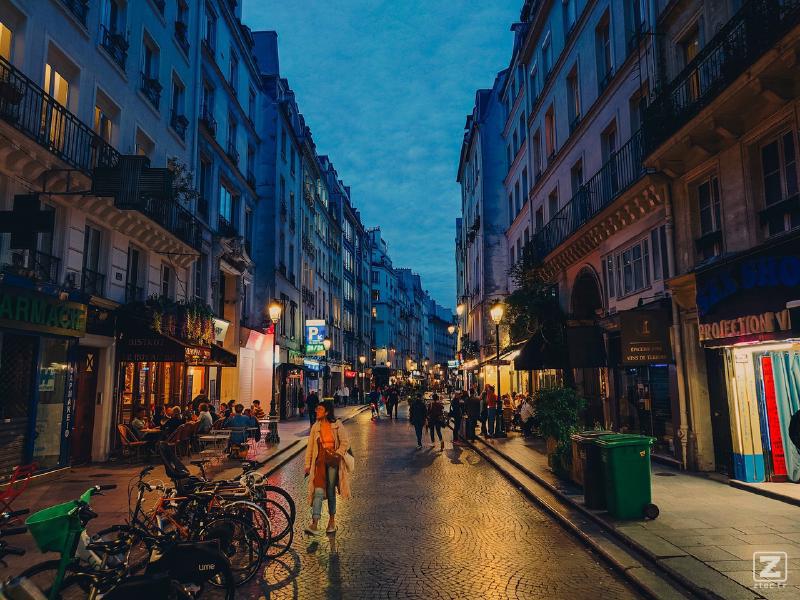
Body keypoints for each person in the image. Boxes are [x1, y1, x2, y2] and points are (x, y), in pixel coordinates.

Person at [303, 400, 351, 536]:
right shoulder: (315, 427)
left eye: (319, 409)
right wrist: (307, 465)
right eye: (317, 409)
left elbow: (345, 443)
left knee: (330, 491)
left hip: (332, 462)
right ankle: (315, 523)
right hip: (319, 463)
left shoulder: (337, 425)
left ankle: (331, 521)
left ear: (327, 412)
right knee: (318, 491)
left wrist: (338, 454)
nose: (316, 411)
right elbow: (310, 448)